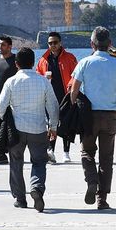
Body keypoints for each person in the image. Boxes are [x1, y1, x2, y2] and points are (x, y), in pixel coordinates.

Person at [70, 26, 116, 210]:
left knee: (87, 152)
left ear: (92, 44)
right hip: (109, 115)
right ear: (110, 44)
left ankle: (91, 180)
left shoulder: (84, 62)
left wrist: (74, 108)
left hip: (89, 116)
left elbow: (74, 90)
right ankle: (102, 199)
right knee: (106, 158)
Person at [0, 47, 59, 212]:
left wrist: (5, 116)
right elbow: (53, 106)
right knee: (39, 161)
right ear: (33, 63)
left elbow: (0, 107)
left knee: (16, 163)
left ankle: (20, 198)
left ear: (16, 64)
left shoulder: (11, 81)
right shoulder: (43, 81)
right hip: (38, 128)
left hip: (16, 129)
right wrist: (53, 126)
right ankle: (36, 188)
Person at [36, 32, 78, 163]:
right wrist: (44, 79)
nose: (52, 45)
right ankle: (51, 151)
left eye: (55, 42)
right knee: (51, 124)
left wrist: (71, 88)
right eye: (50, 43)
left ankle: (66, 152)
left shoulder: (70, 57)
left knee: (66, 124)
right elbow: (38, 76)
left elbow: (76, 75)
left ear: (60, 43)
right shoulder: (43, 60)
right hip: (49, 97)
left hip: (65, 96)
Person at [0, 35, 18, 165]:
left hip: (12, 98)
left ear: (10, 46)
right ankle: (0, 153)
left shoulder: (16, 60)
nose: (0, 47)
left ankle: (5, 152)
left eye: (3, 45)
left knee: (9, 125)